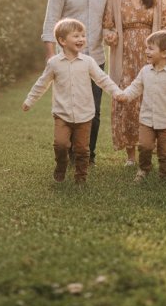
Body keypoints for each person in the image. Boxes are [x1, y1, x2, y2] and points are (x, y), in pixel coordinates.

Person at [23, 18, 123, 184]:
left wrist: (117, 93)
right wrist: (29, 100)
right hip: (62, 114)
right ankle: (61, 165)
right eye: (76, 36)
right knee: (61, 145)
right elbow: (42, 83)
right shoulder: (54, 63)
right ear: (62, 41)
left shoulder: (88, 62)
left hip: (84, 114)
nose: (81, 39)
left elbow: (103, 79)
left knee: (83, 149)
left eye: (83, 36)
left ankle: (81, 177)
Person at [102, 0, 166, 167]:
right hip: (124, 57)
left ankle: (150, 148)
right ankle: (131, 155)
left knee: (150, 99)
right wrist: (110, 35)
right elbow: (107, 25)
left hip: (151, 55)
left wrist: (164, 49)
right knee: (127, 100)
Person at [41, 0, 112, 166]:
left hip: (96, 59)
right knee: (69, 111)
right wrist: (52, 57)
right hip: (68, 61)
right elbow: (50, 22)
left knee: (94, 111)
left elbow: (107, 22)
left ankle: (87, 156)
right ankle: (69, 153)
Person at [116, 30, 166, 181]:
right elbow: (135, 87)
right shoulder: (145, 71)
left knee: (165, 152)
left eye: (150, 48)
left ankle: (164, 176)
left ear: (164, 53)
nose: (146, 51)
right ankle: (143, 170)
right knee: (145, 147)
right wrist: (124, 95)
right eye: (147, 47)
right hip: (147, 120)